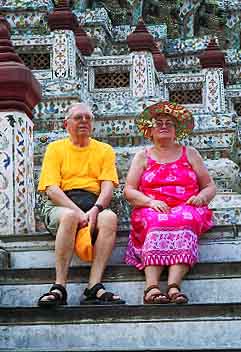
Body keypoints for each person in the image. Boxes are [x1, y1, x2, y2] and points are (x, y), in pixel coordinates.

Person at [124, 101, 216, 304]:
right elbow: (129, 191)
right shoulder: (142, 157)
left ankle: (174, 286)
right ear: (150, 130)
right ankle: (152, 287)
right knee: (157, 221)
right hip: (153, 206)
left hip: (186, 206)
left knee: (185, 219)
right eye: (158, 123)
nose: (164, 126)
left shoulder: (190, 153)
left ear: (176, 131)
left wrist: (202, 197)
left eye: (169, 123)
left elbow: (209, 186)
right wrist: (149, 201)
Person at [37, 102, 125, 307]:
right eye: (78, 117)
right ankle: (59, 286)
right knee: (68, 217)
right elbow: (51, 188)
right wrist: (77, 212)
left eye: (88, 117)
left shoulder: (104, 150)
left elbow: (107, 187)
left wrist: (96, 210)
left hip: (92, 204)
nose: (84, 121)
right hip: (61, 205)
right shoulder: (55, 148)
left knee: (110, 218)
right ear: (66, 124)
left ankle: (94, 286)